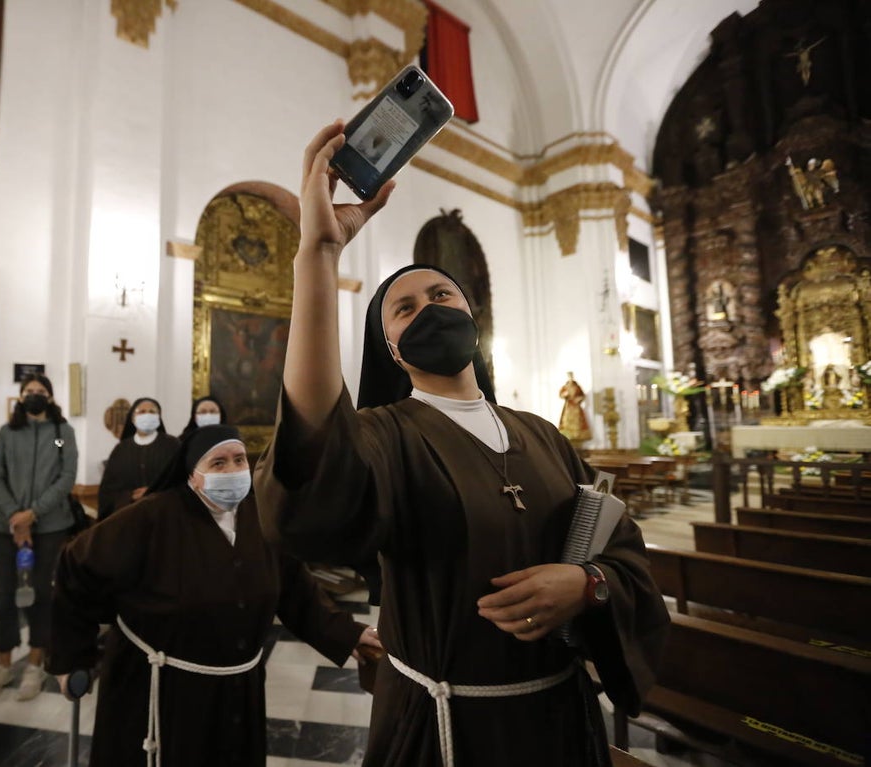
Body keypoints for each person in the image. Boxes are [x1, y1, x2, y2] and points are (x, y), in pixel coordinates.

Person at [252, 122, 670, 767]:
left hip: (560, 720)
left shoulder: (545, 436)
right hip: (442, 728)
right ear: (390, 348)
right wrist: (318, 255)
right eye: (404, 308)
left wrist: (587, 585)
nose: (428, 308)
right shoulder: (384, 435)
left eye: (441, 295)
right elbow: (312, 479)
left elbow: (625, 555)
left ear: (471, 315)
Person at [48, 425, 381, 767]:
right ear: (192, 476)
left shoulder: (260, 516)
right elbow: (76, 566)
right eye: (218, 463)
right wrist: (73, 656)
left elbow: (295, 588)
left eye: (239, 460)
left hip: (237, 688)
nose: (233, 471)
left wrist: (345, 633)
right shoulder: (150, 517)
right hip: (162, 691)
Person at [0, 373, 78, 702]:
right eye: (29, 391)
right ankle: (3, 664)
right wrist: (15, 516)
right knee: (5, 596)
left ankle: (35, 665)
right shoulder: (8, 433)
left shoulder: (62, 433)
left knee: (39, 594)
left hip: (49, 526)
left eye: (40, 391)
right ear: (21, 397)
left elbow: (66, 477)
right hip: (7, 527)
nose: (34, 395)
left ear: (50, 397)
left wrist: (33, 513)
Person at [96, 397, 179, 521]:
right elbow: (107, 492)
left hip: (165, 517)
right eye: (142, 412)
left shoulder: (173, 445)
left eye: (152, 412)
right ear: (133, 418)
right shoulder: (121, 450)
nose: (147, 415)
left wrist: (155, 493)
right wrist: (130, 496)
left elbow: (183, 483)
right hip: (129, 518)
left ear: (159, 417)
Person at [558, 372, 592, 446]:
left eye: (571, 376)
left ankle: (577, 439)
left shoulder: (577, 387)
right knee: (566, 421)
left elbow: (582, 395)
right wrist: (565, 394)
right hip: (568, 407)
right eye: (569, 376)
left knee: (578, 422)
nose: (570, 377)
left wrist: (578, 399)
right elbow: (560, 394)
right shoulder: (565, 387)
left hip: (576, 408)